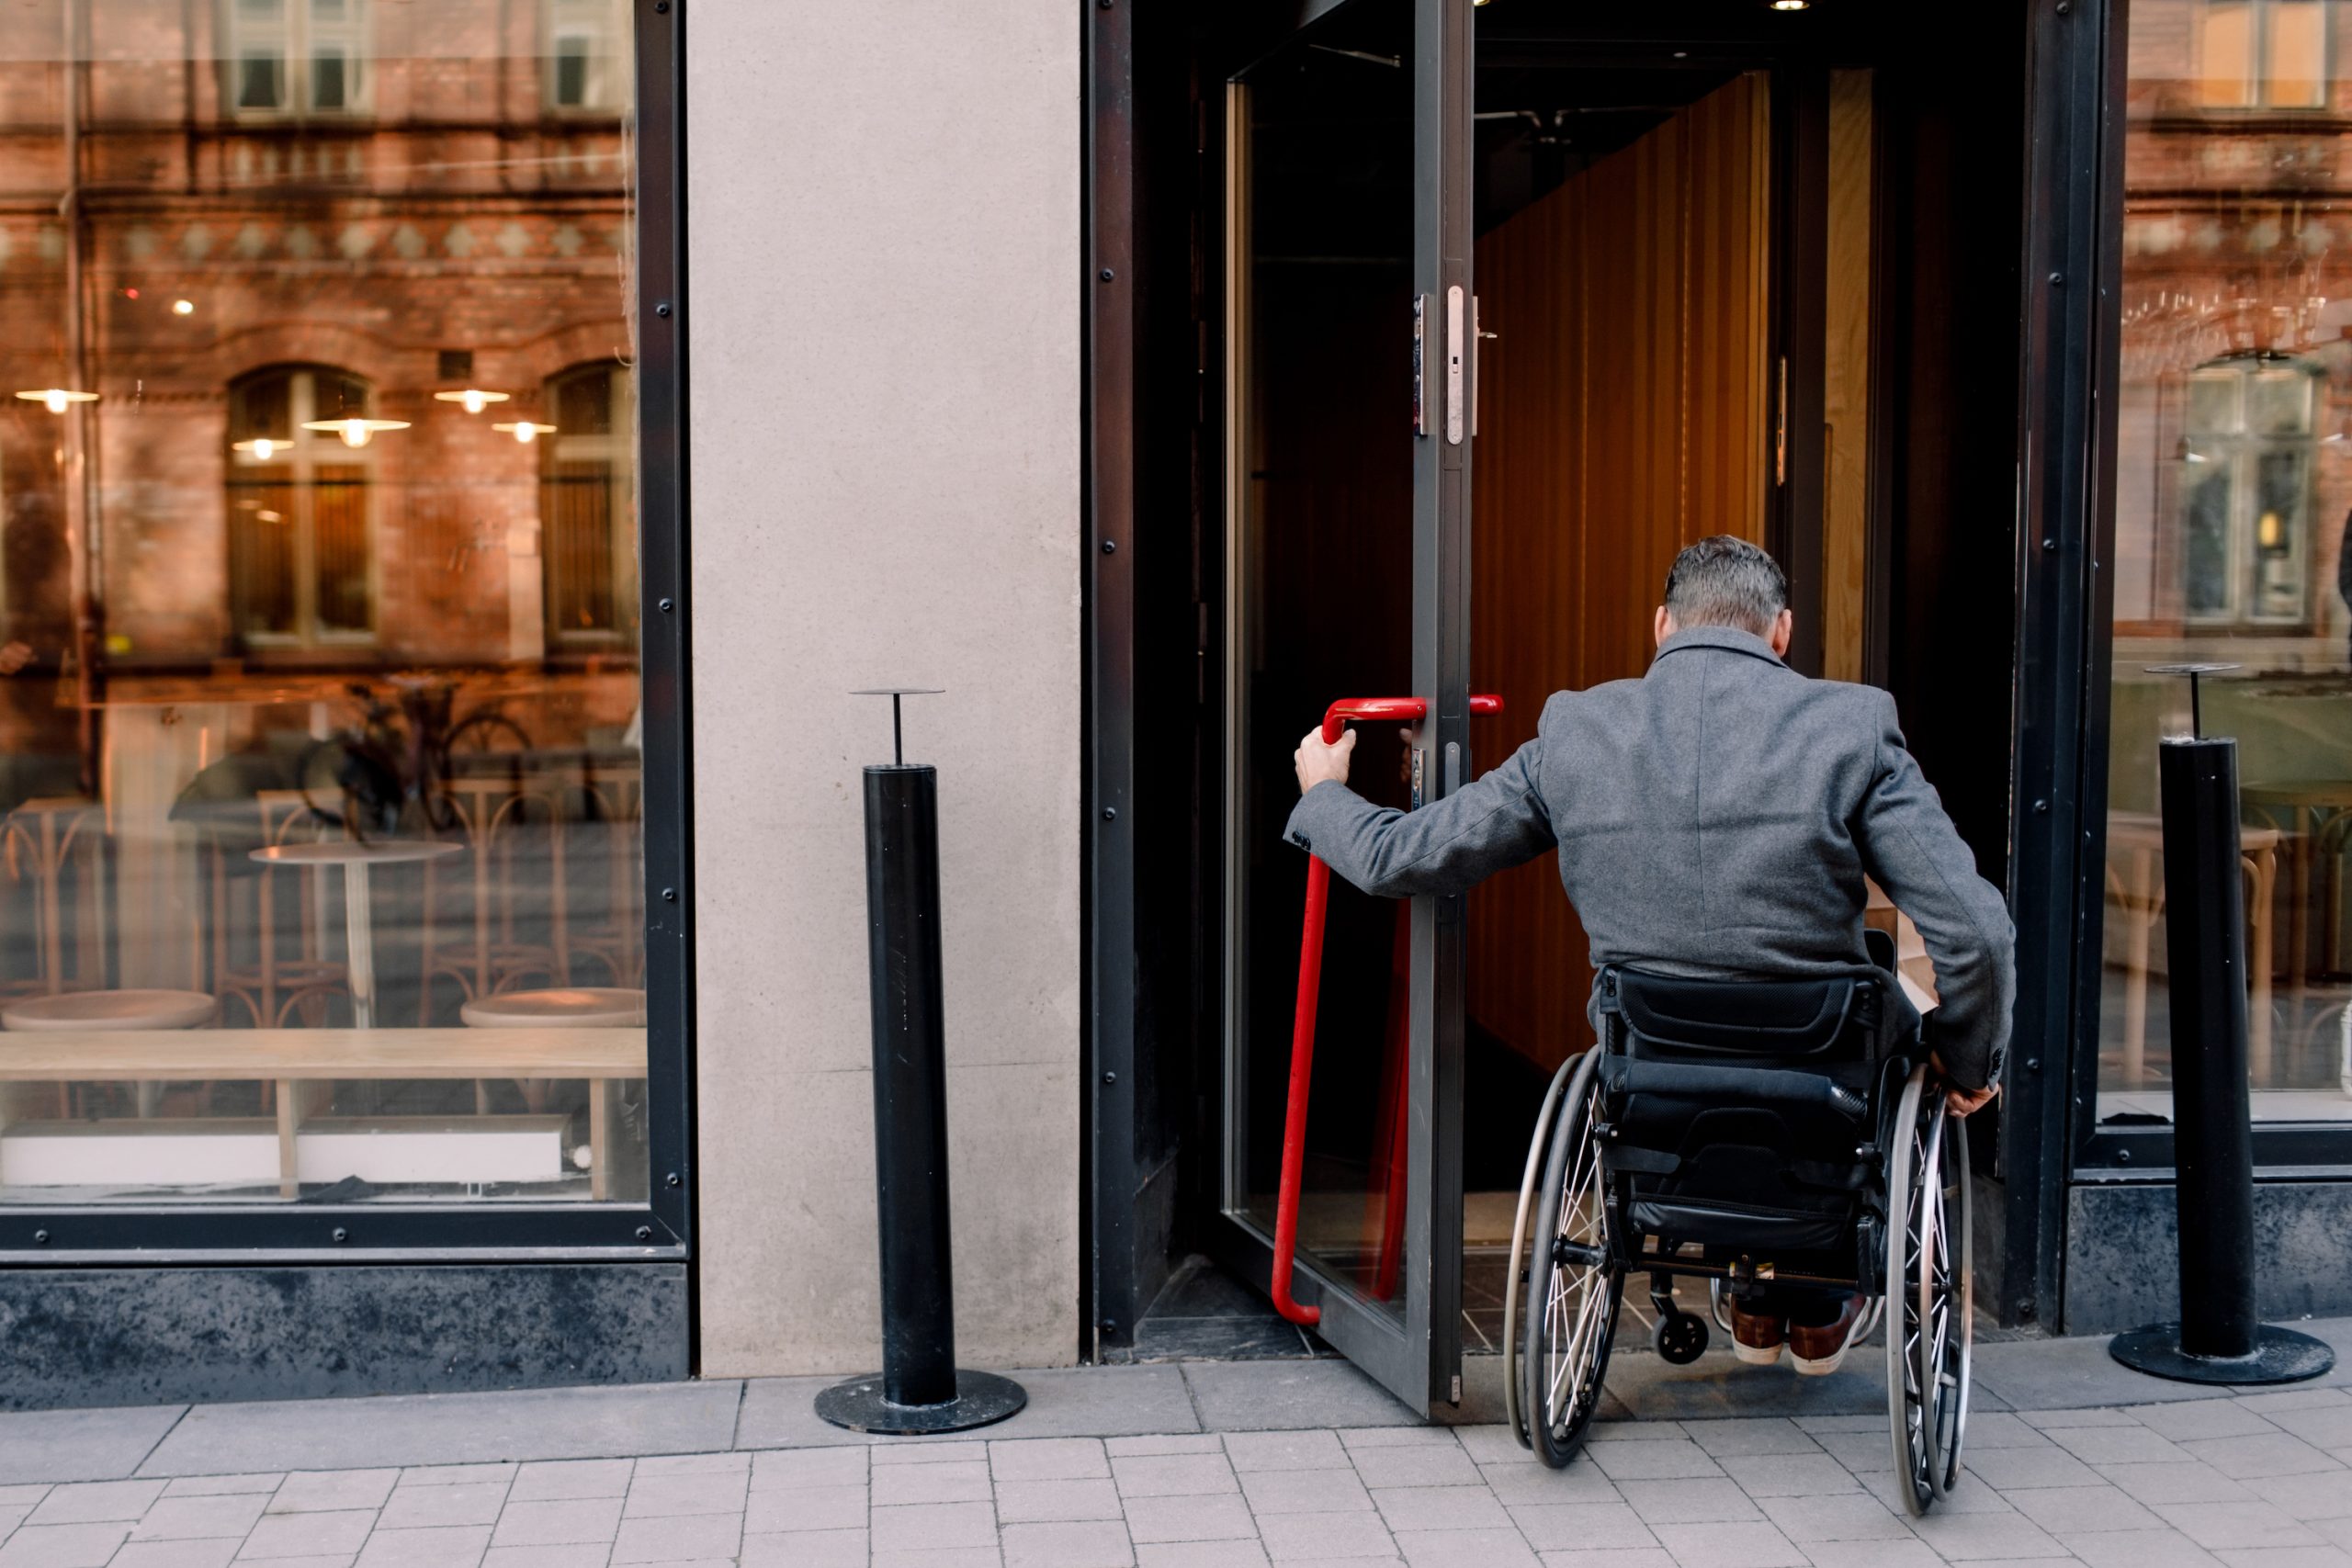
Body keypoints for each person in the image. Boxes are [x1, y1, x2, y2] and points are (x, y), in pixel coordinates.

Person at [1286, 535, 2013, 1376]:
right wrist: (1965, 1062)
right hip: (1821, 1074)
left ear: (1661, 624)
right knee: (1885, 1001)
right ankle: (1808, 1299)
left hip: (1651, 1069)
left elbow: (1401, 856)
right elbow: (1977, 933)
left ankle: (1756, 1289)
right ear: (1781, 632)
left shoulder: (1577, 730)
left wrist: (1327, 795)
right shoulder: (1851, 727)